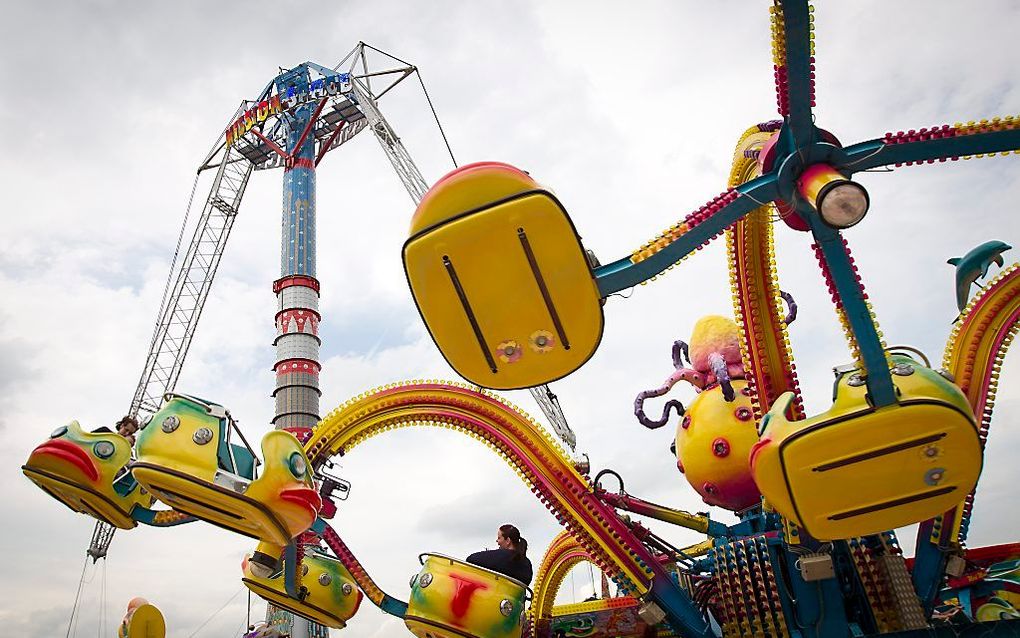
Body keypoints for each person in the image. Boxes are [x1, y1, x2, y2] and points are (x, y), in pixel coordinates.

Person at [466, 524, 533, 585]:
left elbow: (471, 559)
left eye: (499, 538)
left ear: (508, 541)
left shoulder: (501, 557)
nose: (497, 541)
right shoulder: (527, 564)